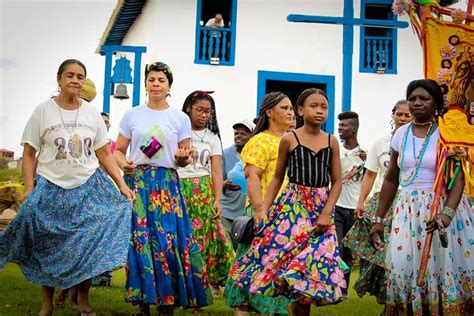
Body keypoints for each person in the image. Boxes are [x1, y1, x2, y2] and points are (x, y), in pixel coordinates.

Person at [0, 59, 134, 316]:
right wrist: (29, 187)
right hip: (51, 185)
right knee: (46, 244)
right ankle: (47, 303)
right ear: (59, 78)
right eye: (70, 75)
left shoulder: (91, 113)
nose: (75, 80)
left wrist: (121, 185)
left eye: (80, 76)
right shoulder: (43, 111)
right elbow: (29, 153)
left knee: (85, 243)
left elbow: (104, 153)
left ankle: (83, 300)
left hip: (88, 186)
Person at [229, 88, 345, 316]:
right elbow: (277, 178)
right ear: (301, 110)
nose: (319, 111)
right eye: (313, 106)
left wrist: (326, 213)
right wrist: (263, 210)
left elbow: (337, 181)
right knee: (284, 263)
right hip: (291, 209)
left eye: (324, 107)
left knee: (312, 267)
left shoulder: (332, 142)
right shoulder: (289, 139)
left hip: (320, 209)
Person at [114, 61, 211, 316]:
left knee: (168, 240)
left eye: (161, 80)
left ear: (169, 86)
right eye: (151, 80)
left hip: (167, 184)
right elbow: (118, 152)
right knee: (141, 241)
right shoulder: (132, 115)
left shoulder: (179, 118)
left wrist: (181, 158)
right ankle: (144, 303)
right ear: (145, 84)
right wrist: (125, 165)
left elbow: (185, 156)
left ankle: (167, 301)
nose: (156, 84)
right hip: (140, 183)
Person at [370, 79, 473, 315]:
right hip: (406, 212)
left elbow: (457, 180)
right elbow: (390, 179)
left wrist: (445, 216)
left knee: (439, 267)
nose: (416, 103)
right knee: (403, 266)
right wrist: (378, 219)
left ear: (436, 103)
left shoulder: (448, 133)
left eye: (423, 98)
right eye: (412, 98)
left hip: (441, 210)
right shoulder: (401, 134)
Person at [224, 91, 293, 316]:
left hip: (286, 217)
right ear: (269, 113)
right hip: (263, 212)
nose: (290, 112)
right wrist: (260, 210)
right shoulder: (260, 141)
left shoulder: (291, 140)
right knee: (250, 268)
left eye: (291, 108)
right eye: (284, 108)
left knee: (277, 272)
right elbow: (252, 177)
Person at [343, 100, 411, 305]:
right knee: (381, 251)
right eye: (399, 114)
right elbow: (371, 174)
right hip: (383, 200)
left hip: (407, 202)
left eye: (407, 115)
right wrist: (361, 201)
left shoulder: (417, 142)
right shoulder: (381, 143)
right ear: (393, 115)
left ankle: (402, 296)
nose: (403, 118)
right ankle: (386, 296)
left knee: (402, 252)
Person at [178, 90, 235, 299]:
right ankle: (184, 284)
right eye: (199, 110)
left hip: (203, 191)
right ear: (188, 109)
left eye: (208, 112)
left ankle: (206, 284)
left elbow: (217, 170)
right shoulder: (178, 132)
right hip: (179, 188)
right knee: (184, 236)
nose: (204, 115)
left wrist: (218, 199)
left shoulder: (212, 138)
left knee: (204, 239)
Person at [334, 111, 366, 295]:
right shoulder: (336, 151)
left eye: (343, 126)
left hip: (354, 208)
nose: (340, 128)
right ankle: (332, 286)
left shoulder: (365, 154)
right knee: (336, 247)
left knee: (347, 251)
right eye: (339, 126)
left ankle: (342, 290)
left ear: (353, 128)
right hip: (337, 206)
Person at [221, 119, 254, 250]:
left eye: (243, 134)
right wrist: (224, 184)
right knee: (226, 246)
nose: (238, 136)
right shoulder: (226, 154)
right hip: (227, 209)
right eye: (236, 133)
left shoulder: (255, 155)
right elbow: (217, 180)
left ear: (251, 136)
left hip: (245, 213)